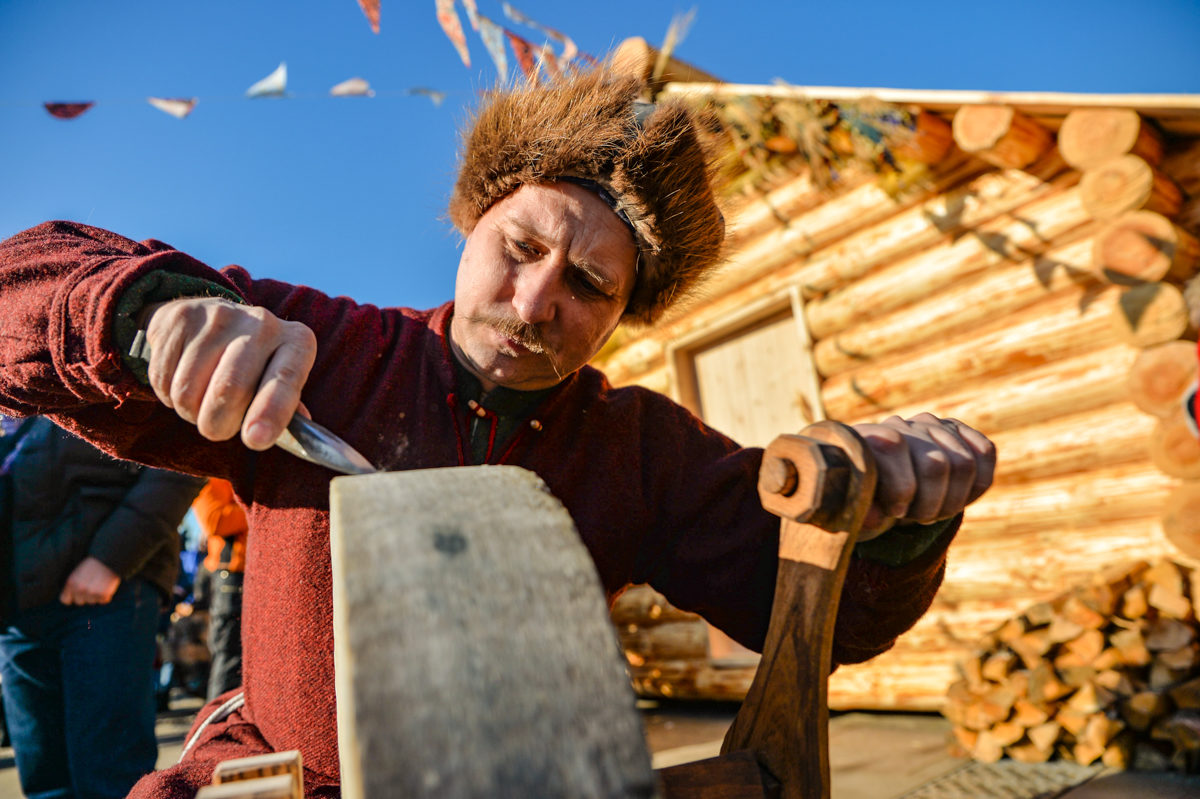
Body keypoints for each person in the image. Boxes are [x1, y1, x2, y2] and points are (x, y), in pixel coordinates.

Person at [0, 68, 994, 797]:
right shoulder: (329, 349)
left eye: (590, 285)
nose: (532, 302)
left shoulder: (635, 446)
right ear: (471, 220)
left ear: (622, 314)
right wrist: (143, 311)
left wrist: (895, 515)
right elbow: (21, 290)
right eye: (519, 248)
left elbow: (827, 617)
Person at [0, 415, 204, 798]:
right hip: (17, 609)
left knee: (111, 777)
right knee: (45, 781)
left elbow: (186, 449)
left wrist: (112, 557)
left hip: (108, 593)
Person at [191, 478, 248, 700]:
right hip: (232, 580)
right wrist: (263, 507)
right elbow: (214, 521)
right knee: (229, 655)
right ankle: (219, 726)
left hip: (248, 574)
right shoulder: (213, 476)